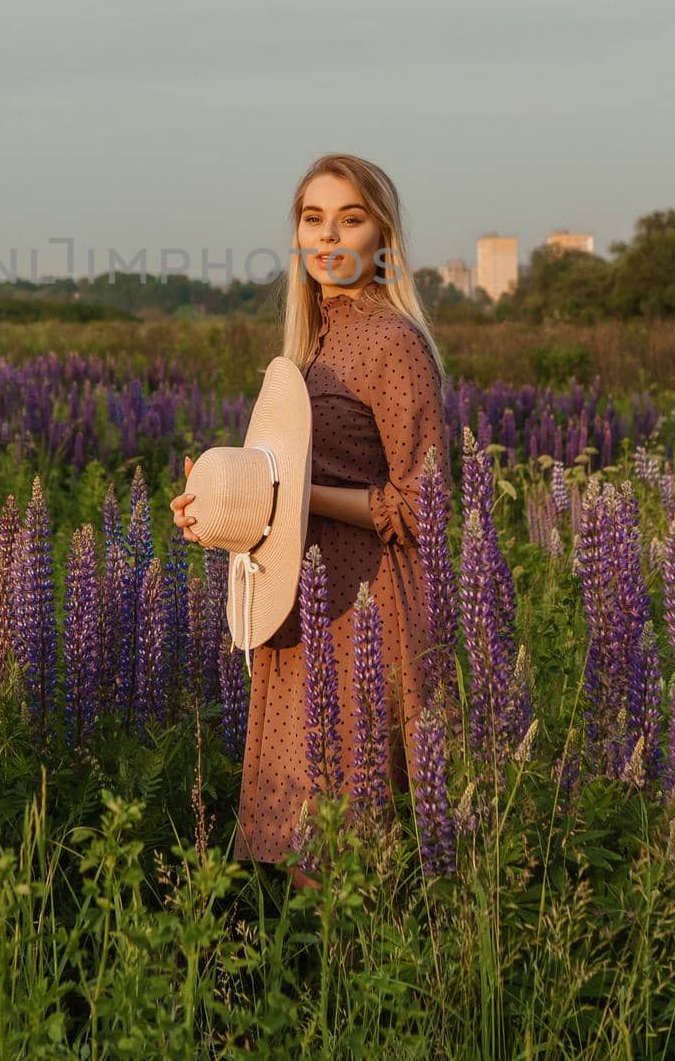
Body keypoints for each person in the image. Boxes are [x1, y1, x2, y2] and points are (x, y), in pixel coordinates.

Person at [170, 153, 450, 891]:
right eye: (312, 218)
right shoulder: (313, 345)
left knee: (349, 853)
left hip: (364, 612)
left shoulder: (392, 342)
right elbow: (279, 484)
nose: (328, 235)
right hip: (299, 602)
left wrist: (294, 498)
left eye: (350, 218)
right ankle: (321, 1002)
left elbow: (425, 505)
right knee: (306, 846)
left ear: (382, 237)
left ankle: (381, 1002)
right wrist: (222, 509)